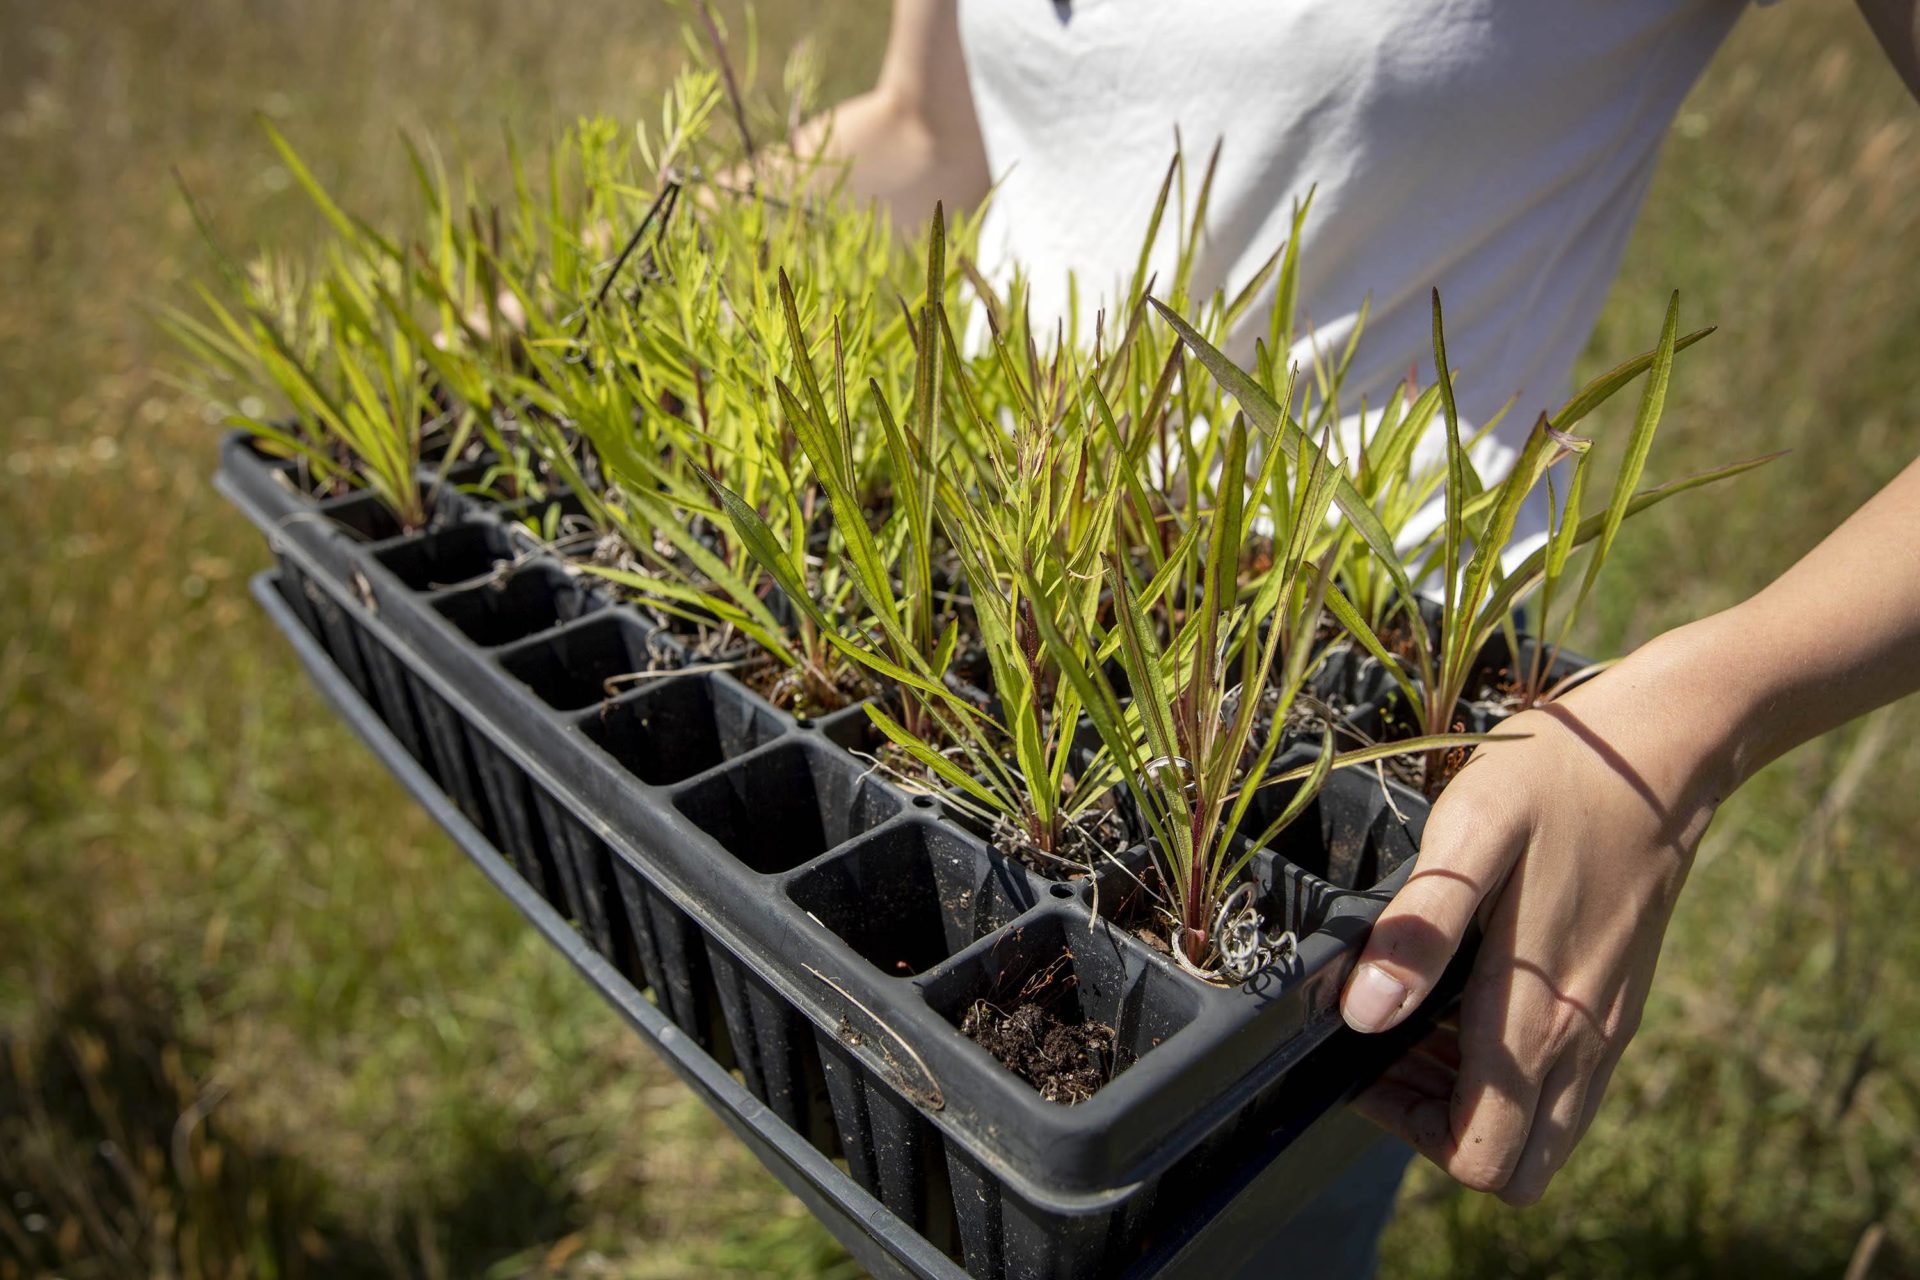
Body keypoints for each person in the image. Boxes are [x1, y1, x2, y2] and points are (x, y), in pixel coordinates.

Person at [761, 1, 1920, 1271]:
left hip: (1362, 664)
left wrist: (1704, 709)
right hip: (968, 559)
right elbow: (924, 128)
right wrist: (606, 253)